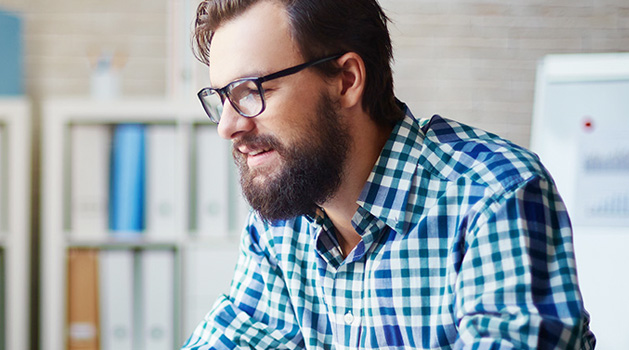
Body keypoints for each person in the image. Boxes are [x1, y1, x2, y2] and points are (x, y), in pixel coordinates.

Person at [182, 0, 596, 349]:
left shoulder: (495, 198)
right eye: (222, 98)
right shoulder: (281, 223)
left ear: (346, 80)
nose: (227, 127)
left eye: (251, 91)